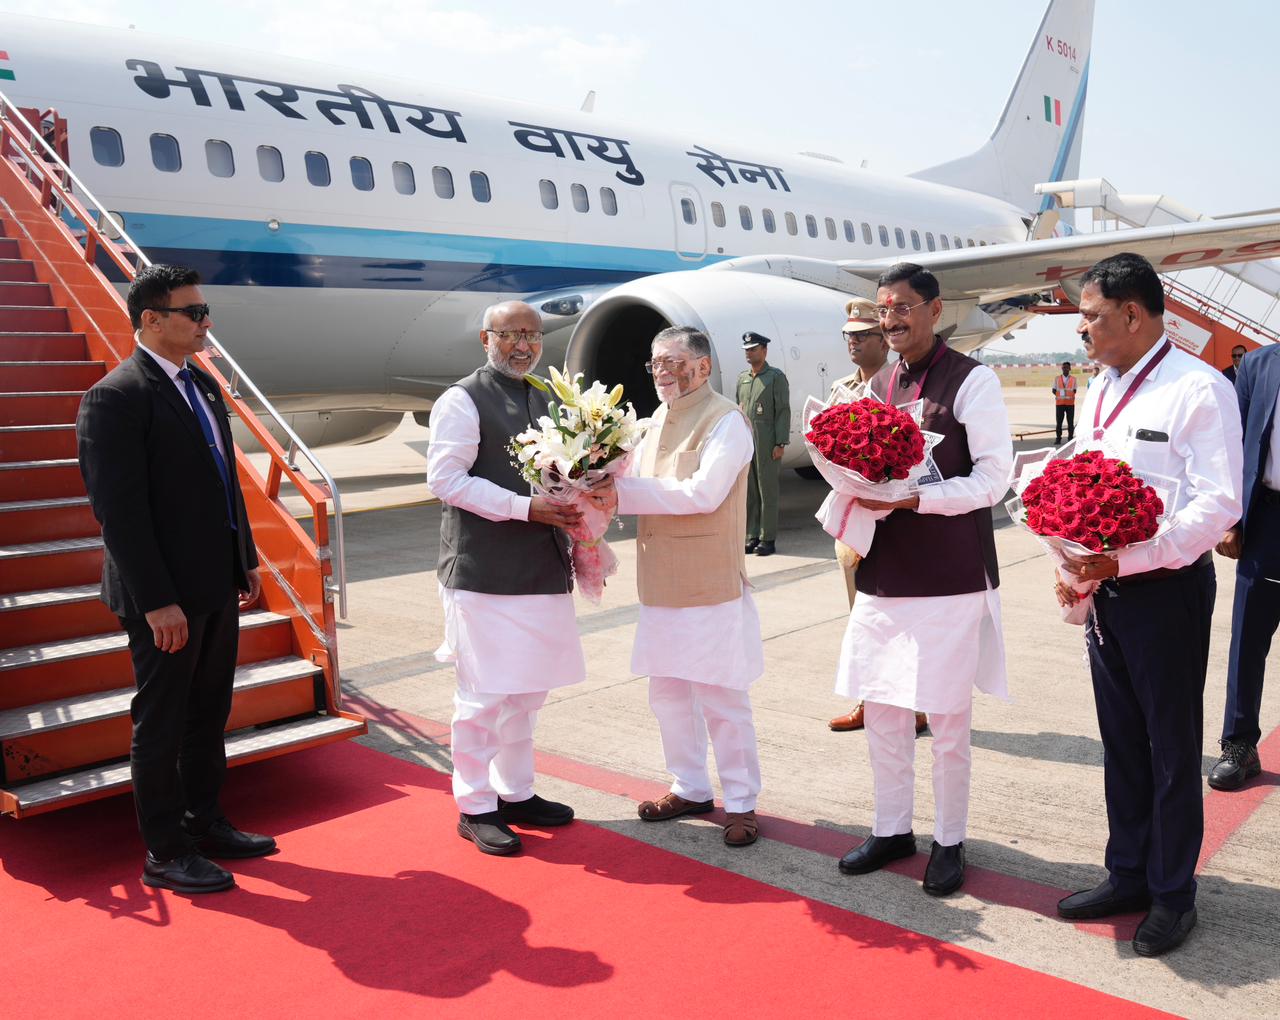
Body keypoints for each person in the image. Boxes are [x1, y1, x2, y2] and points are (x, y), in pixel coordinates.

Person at [1054, 253, 1242, 958]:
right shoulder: (1101, 387)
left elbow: (1218, 502)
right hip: (1106, 590)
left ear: (1133, 314)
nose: (1084, 332)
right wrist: (1072, 560)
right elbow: (1083, 479)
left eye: (1093, 317)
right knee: (1122, 745)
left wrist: (1126, 559)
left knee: (1168, 750)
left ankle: (1172, 893)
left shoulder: (1197, 388)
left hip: (1166, 592)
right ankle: (1127, 873)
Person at [76, 264, 273, 895]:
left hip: (215, 581)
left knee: (209, 714)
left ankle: (204, 821)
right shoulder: (116, 396)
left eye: (204, 309)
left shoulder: (203, 387)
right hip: (163, 598)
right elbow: (120, 514)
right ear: (151, 320)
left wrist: (244, 555)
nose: (204, 321)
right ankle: (164, 850)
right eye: (192, 312)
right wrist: (158, 602)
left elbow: (226, 484)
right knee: (161, 722)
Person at [833, 264, 1012, 898]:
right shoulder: (877, 382)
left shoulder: (973, 380)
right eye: (885, 310)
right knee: (881, 707)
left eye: (904, 307)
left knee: (946, 719)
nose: (893, 320)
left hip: (950, 575)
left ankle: (949, 841)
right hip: (885, 573)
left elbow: (995, 479)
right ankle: (891, 829)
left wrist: (916, 501)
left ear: (935, 311)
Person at [427, 300, 584, 856]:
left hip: (540, 567)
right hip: (484, 572)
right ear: (485, 339)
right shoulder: (462, 400)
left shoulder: (545, 397)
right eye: (511, 334)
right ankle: (474, 805)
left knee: (526, 694)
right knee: (483, 696)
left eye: (533, 335)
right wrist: (526, 509)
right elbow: (445, 480)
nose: (523, 345)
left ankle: (516, 792)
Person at [601, 326, 764, 847]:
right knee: (668, 694)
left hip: (708, 585)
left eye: (674, 361)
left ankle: (741, 802)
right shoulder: (650, 425)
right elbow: (622, 476)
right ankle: (689, 785)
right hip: (660, 585)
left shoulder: (727, 422)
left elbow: (702, 493)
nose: (663, 371)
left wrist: (618, 494)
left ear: (704, 366)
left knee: (722, 697)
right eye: (655, 362)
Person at [825, 298, 926, 737]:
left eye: (862, 335)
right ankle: (869, 699)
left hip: (900, 522)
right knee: (860, 618)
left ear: (883, 340)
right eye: (848, 336)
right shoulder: (840, 389)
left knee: (905, 621)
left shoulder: (901, 388)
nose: (853, 343)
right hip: (853, 523)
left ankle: (917, 705)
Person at [1209, 341, 1280, 790]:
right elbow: (1231, 448)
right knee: (1249, 637)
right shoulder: (1258, 365)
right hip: (1268, 520)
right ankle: (1239, 745)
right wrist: (1231, 521)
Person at [736, 331, 790, 556]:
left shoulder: (775, 377)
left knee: (767, 490)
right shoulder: (743, 378)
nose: (750, 353)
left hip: (768, 439)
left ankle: (768, 538)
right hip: (748, 439)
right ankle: (752, 535)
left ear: (764, 350)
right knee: (750, 491)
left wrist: (780, 442)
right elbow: (738, 410)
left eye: (754, 349)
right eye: (747, 350)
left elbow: (783, 411)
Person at [1051, 360, 1078, 445]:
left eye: (1066, 367)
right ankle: (1058, 438)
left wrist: (1066, 396)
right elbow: (1053, 390)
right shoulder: (1057, 378)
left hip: (1070, 404)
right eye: (1063, 367)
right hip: (1060, 404)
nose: (1064, 369)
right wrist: (1060, 396)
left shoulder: (1074, 379)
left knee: (1070, 422)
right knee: (1059, 423)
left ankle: (1070, 438)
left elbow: (1074, 390)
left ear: (1069, 368)